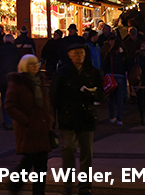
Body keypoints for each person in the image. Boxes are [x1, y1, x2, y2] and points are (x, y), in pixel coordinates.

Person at [50, 44, 103, 195]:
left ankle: (85, 187)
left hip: (87, 116)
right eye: (76, 53)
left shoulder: (92, 72)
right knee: (68, 149)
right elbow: (54, 96)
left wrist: (93, 94)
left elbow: (101, 92)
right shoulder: (62, 73)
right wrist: (52, 119)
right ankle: (68, 185)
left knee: (87, 153)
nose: (80, 56)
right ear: (69, 55)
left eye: (82, 53)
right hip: (68, 116)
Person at [5, 55, 53, 195]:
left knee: (41, 164)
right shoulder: (18, 83)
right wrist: (25, 121)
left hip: (42, 127)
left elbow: (45, 104)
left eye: (36, 63)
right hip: (28, 129)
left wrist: (49, 120)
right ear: (24, 66)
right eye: (31, 64)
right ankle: (15, 185)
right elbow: (9, 105)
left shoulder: (39, 81)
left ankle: (37, 191)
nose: (35, 66)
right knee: (29, 160)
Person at [0, 34, 22, 130]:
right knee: (14, 100)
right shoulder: (17, 51)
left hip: (2, 79)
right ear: (13, 41)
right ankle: (14, 120)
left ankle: (8, 121)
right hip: (15, 79)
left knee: (4, 99)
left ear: (4, 41)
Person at [103, 36, 127, 125]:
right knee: (120, 99)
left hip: (111, 76)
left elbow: (105, 65)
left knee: (111, 98)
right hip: (120, 76)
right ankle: (120, 119)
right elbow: (127, 65)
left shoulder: (110, 54)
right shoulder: (124, 54)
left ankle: (111, 117)